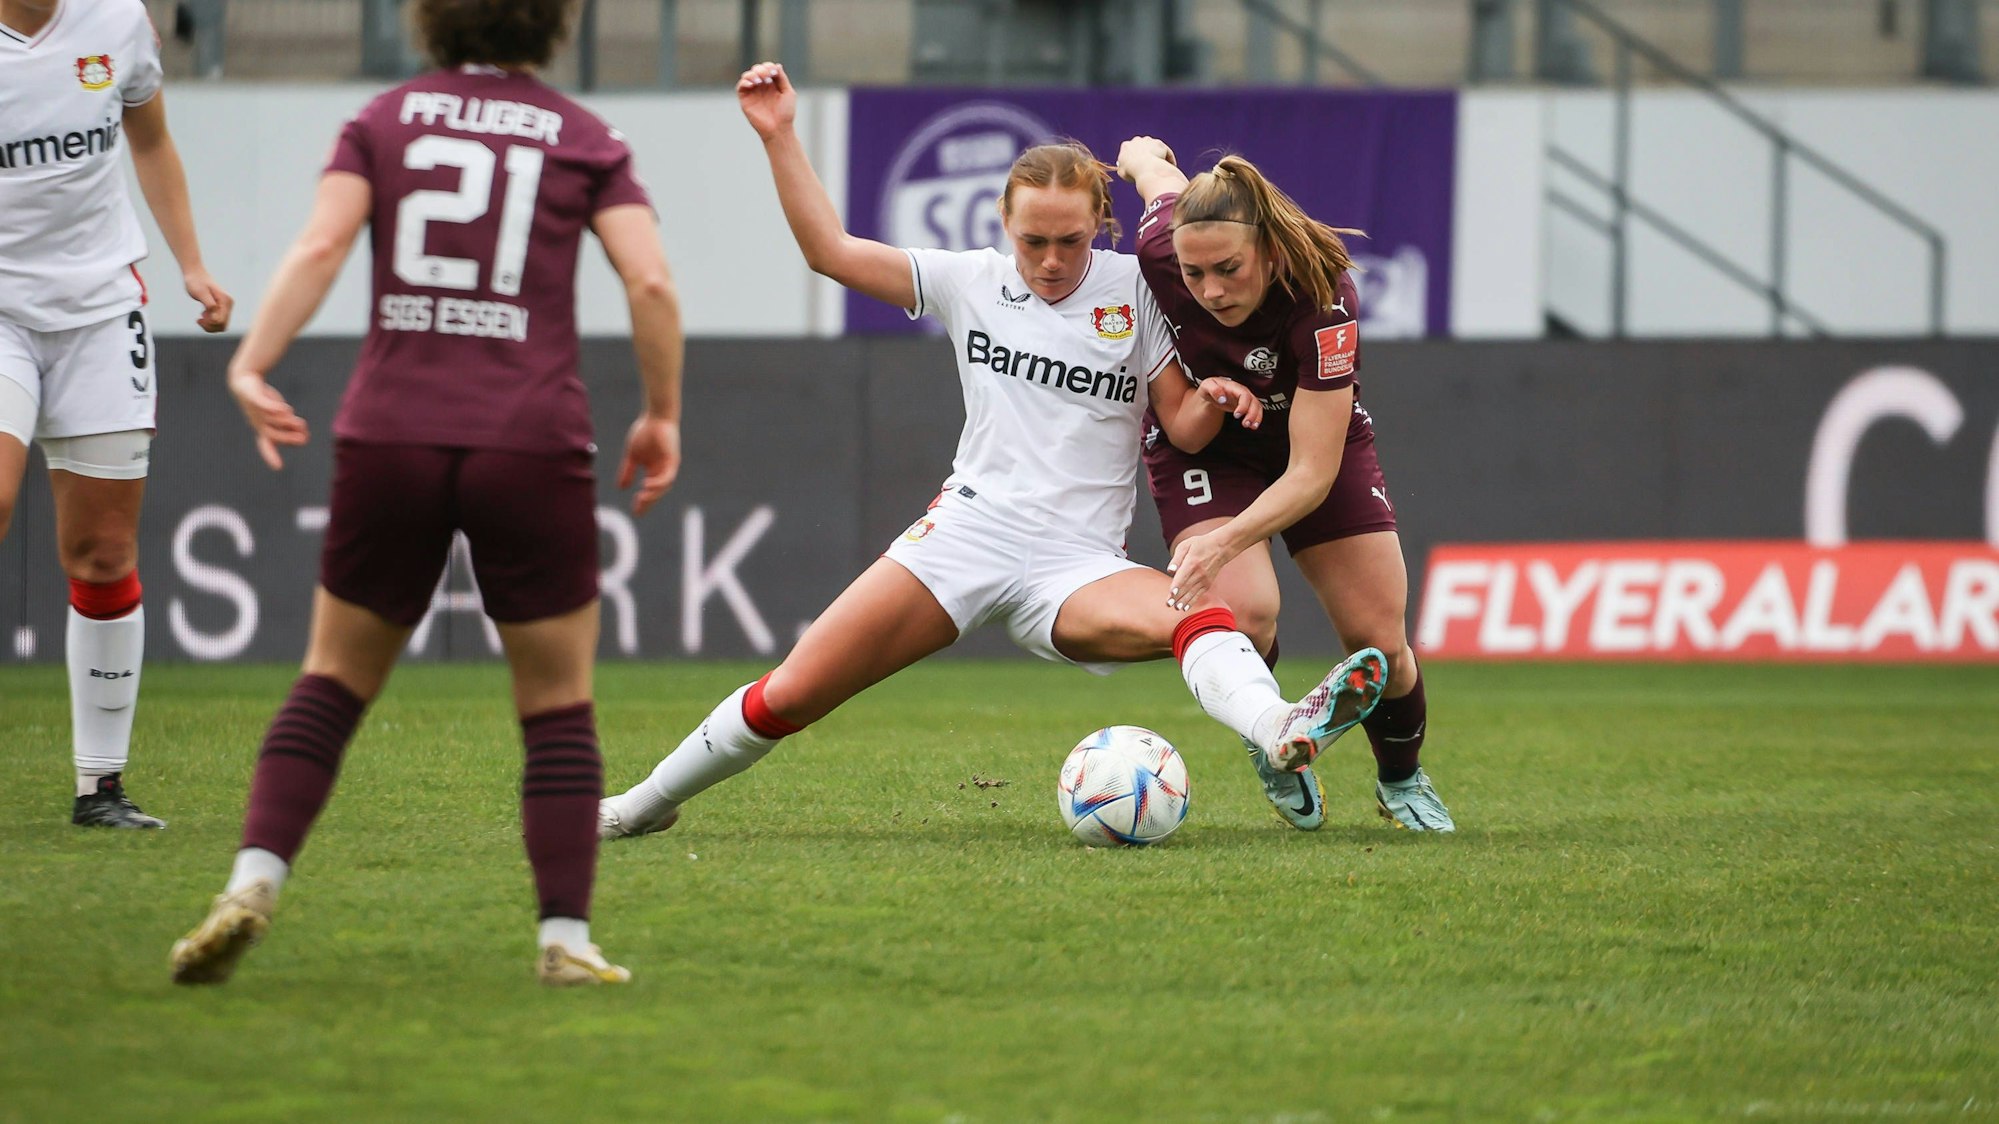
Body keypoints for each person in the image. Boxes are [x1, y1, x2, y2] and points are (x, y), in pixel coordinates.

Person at [597, 62, 1388, 844]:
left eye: (1069, 241)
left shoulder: (1137, 289)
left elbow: (1182, 431)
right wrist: (778, 135)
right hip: (965, 537)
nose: (1050, 260)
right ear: (1002, 223)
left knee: (1202, 615)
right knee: (792, 693)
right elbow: (828, 251)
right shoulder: (967, 280)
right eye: (1031, 241)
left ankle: (1278, 728)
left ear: (1100, 224)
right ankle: (640, 805)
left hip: (1077, 565)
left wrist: (1211, 398)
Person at [169, 0, 683, 987]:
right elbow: (650, 281)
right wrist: (660, 413)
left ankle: (251, 881)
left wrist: (252, 361)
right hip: (529, 438)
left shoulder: (382, 120)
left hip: (391, 431)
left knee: (331, 679)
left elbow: (320, 248)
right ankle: (565, 939)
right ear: (551, 22)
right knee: (556, 703)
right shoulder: (587, 137)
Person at [1116, 137, 1455, 834]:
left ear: (1268, 251)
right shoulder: (1158, 243)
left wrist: (1224, 542)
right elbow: (1153, 175)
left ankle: (1400, 778)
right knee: (1244, 613)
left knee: (1380, 642)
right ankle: (1272, 735)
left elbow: (1310, 474)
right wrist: (1138, 156)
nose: (1210, 290)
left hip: (1309, 448)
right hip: (1209, 446)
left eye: (1228, 269)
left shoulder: (1323, 299)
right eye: (1193, 272)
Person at [1, 0, 233, 829]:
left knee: (102, 552)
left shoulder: (117, 21)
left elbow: (152, 140)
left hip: (101, 311)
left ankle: (99, 787)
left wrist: (192, 264)